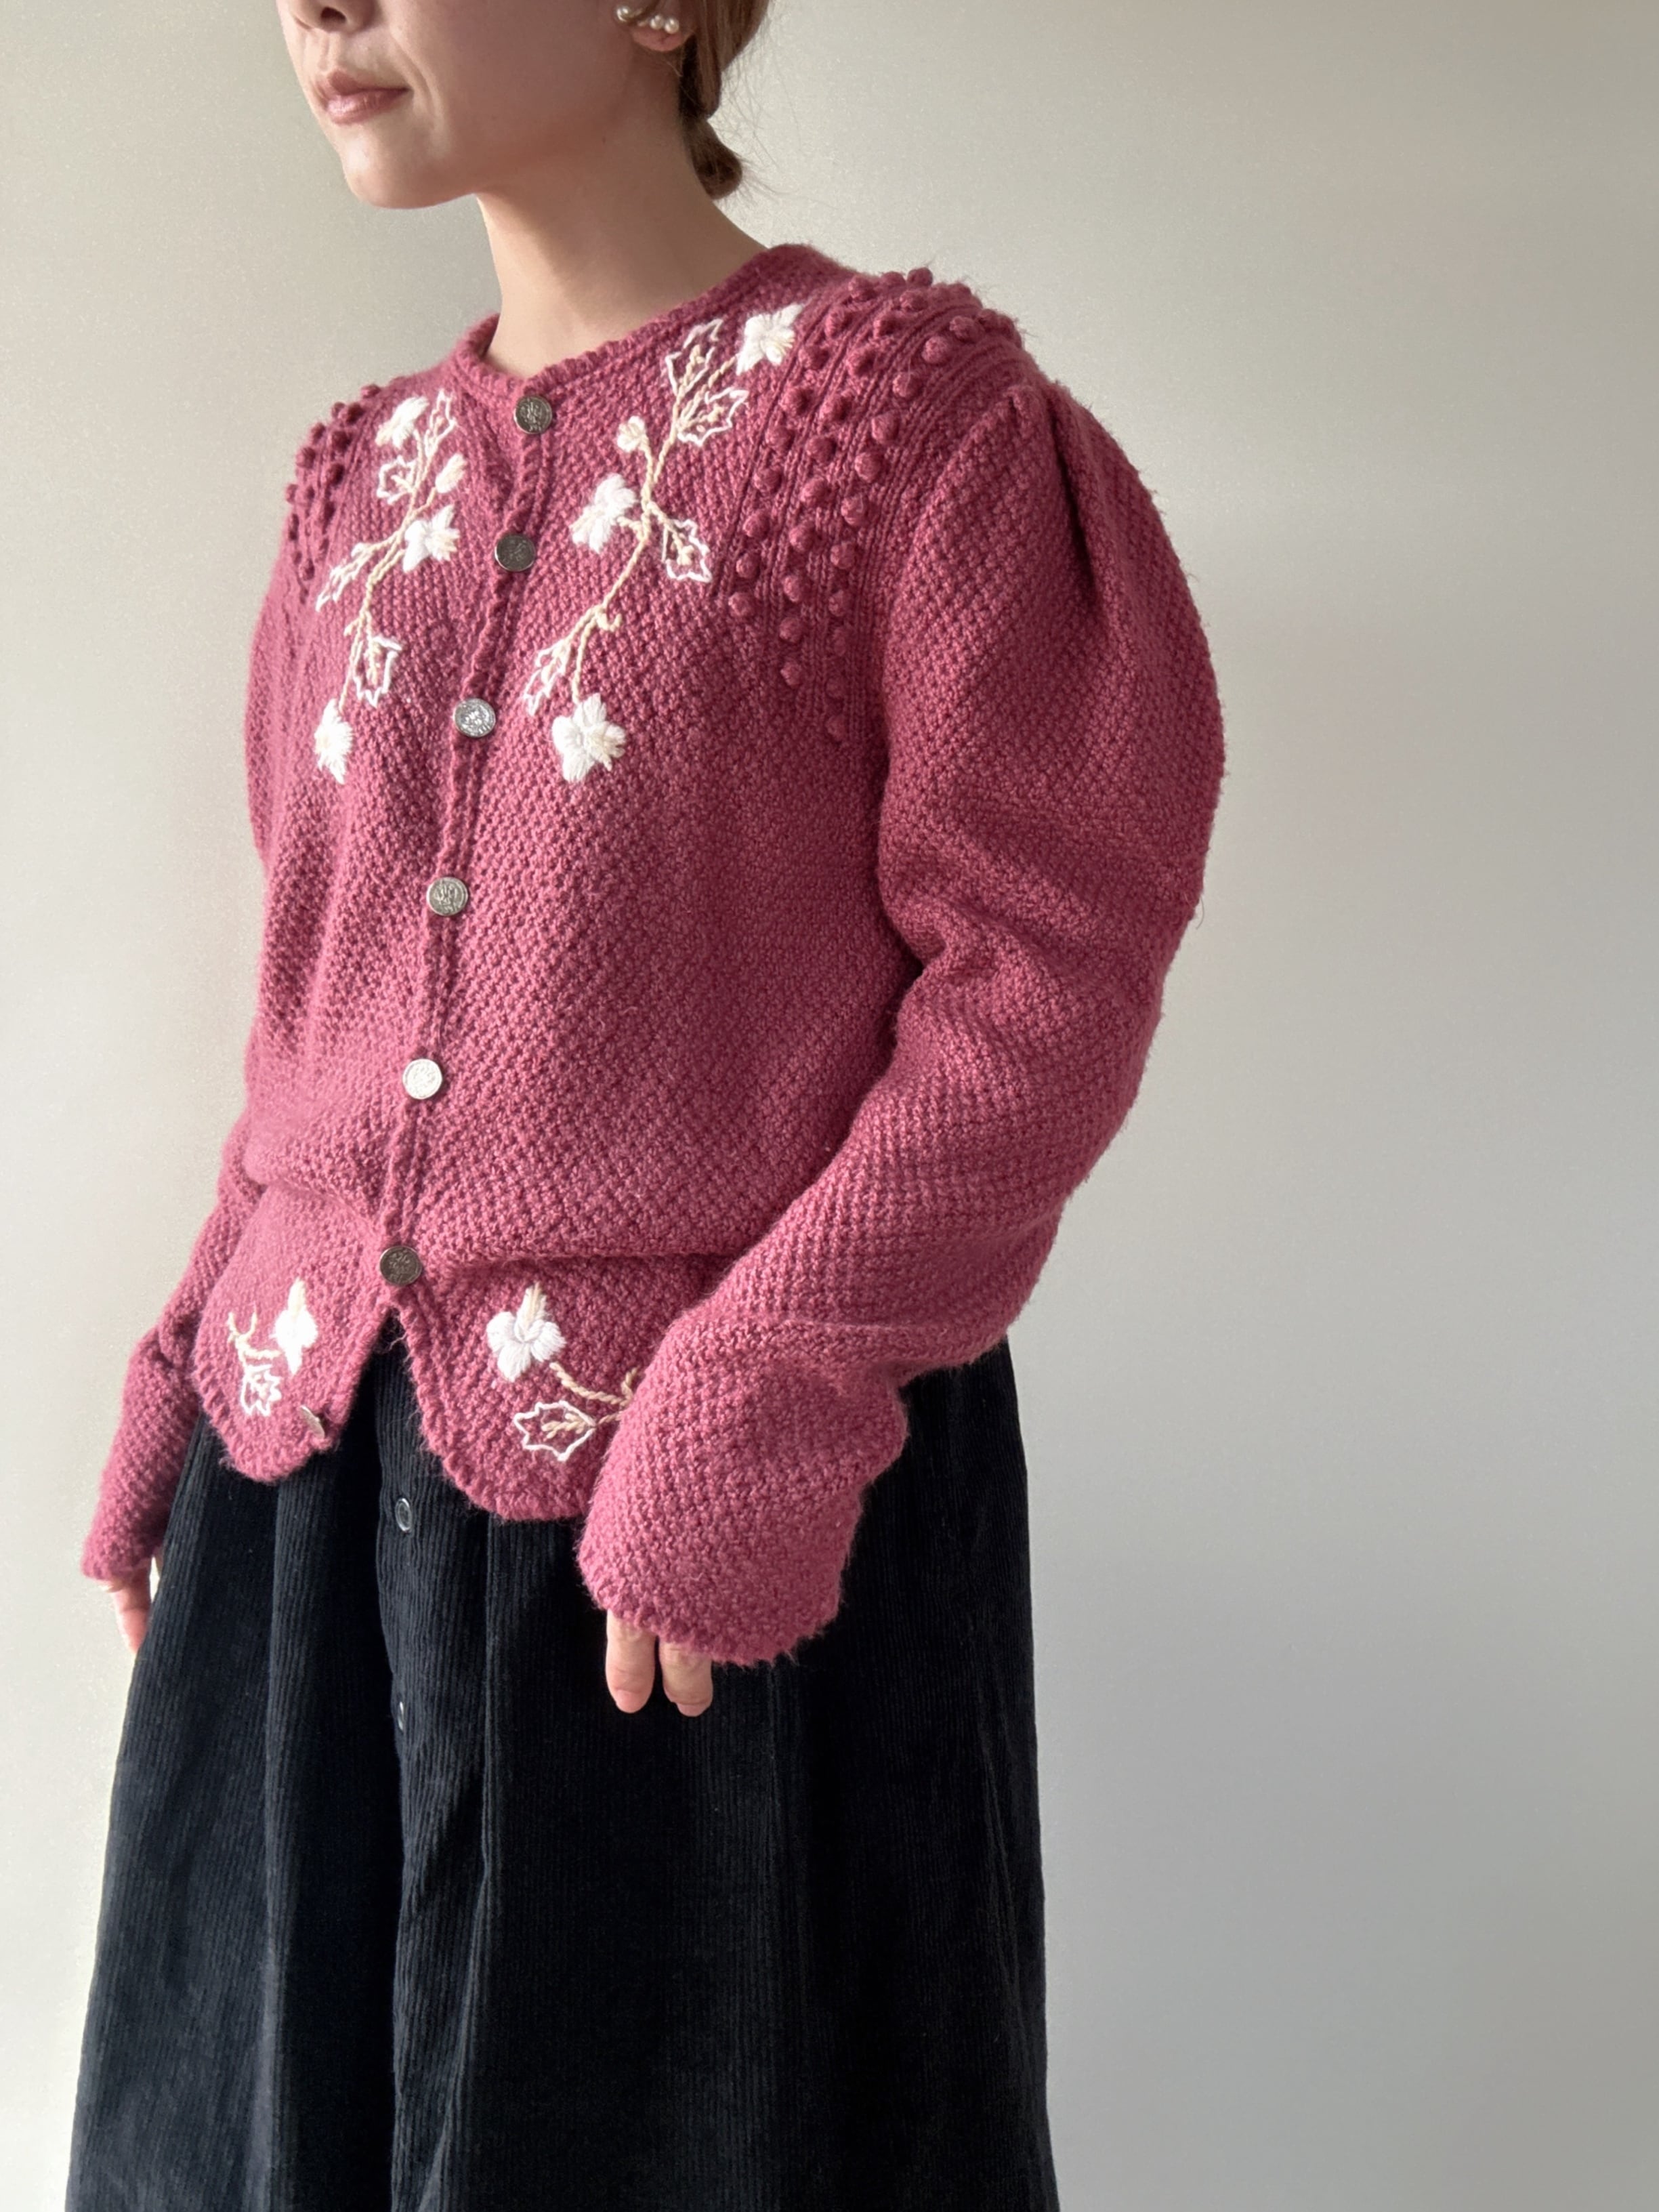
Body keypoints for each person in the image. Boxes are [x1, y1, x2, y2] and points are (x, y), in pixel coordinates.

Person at [66, 1, 1226, 2205]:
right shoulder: (352, 485)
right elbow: (316, 1018)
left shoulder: (911, 426)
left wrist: (763, 1393)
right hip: (304, 1509)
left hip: (696, 1541)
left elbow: (1045, 970)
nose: (315, 7)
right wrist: (191, 1350)